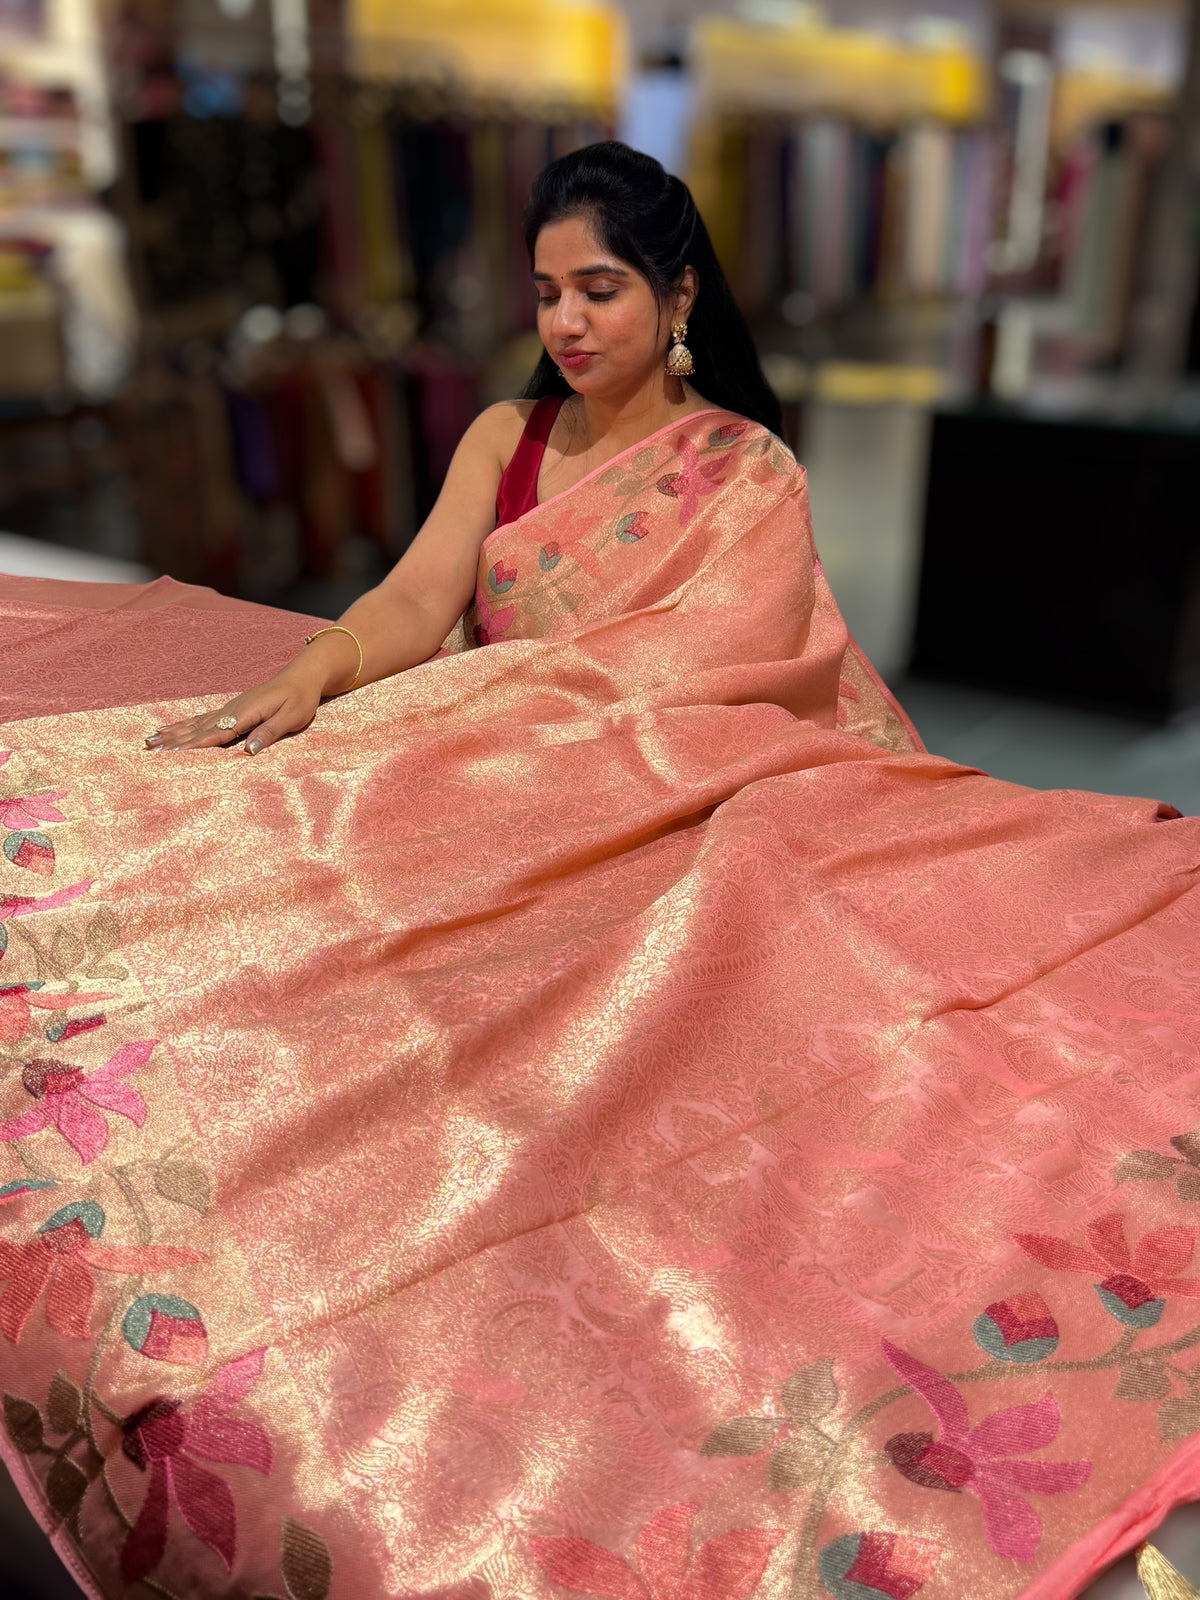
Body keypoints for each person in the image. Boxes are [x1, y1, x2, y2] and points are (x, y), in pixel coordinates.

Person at [0, 142, 1198, 1600]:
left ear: (678, 295)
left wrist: (555, 722)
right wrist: (322, 669)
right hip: (501, 777)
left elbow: (722, 677)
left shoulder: (742, 470)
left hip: (665, 782)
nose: (567, 322)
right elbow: (421, 597)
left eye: (602, 290)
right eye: (548, 292)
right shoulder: (505, 435)